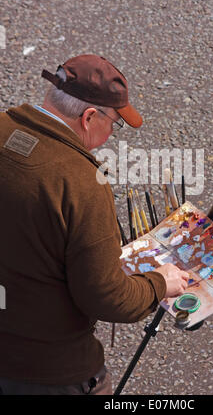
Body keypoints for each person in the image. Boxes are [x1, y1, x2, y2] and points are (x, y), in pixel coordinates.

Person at [0, 54, 189, 395]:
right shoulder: (82, 183)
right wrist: (159, 283)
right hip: (47, 370)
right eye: (114, 125)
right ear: (89, 117)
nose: (111, 136)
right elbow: (107, 298)